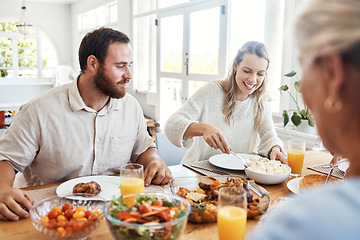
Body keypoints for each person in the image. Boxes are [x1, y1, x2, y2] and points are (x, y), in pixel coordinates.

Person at [0, 27, 172, 221]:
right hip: (56, 213)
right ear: (92, 63)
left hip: (119, 211)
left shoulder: (130, 106)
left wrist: (155, 161)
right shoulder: (37, 110)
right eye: (120, 66)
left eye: (129, 65)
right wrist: (2, 189)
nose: (129, 75)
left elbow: (143, 150)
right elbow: (7, 160)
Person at [248, 0, 360, 239]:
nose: (304, 93)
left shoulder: (302, 222)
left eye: (304, 68)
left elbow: (269, 134)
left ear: (334, 74)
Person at [165, 41, 286, 164]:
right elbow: (171, 125)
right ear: (235, 65)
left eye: (260, 74)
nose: (253, 79)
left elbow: (269, 136)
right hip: (198, 171)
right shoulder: (211, 92)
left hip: (238, 175)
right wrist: (205, 129)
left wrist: (274, 148)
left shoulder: (260, 101)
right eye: (247, 71)